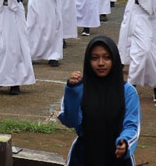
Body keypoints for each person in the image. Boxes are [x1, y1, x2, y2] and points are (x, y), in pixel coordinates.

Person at [58, 36, 140, 166]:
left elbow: (131, 126)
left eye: (107, 57)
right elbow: (70, 121)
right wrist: (72, 92)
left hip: (117, 158)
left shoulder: (128, 92)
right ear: (87, 61)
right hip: (83, 157)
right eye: (94, 58)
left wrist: (125, 141)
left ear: (115, 59)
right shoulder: (79, 88)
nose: (101, 63)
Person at [116, 0, 156, 104]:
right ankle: (131, 84)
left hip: (155, 16)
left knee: (154, 54)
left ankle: (155, 86)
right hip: (140, 15)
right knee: (142, 51)